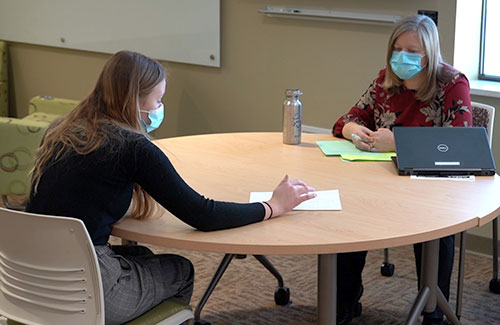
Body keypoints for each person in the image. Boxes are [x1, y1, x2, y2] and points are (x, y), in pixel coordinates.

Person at [26, 50, 317, 325]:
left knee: (144, 258)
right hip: (86, 290)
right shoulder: (132, 147)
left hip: (28, 278)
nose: (159, 109)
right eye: (157, 101)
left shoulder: (61, 129)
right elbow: (203, 215)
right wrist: (273, 206)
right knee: (180, 270)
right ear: (133, 102)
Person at [332, 15, 472, 325]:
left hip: (431, 189)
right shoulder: (386, 80)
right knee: (349, 215)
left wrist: (397, 142)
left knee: (437, 230)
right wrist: (356, 131)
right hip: (380, 182)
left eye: (411, 51)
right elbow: (344, 121)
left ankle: (435, 311)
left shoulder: (452, 83)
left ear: (429, 53)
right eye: (396, 49)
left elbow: (460, 143)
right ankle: (343, 303)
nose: (401, 57)